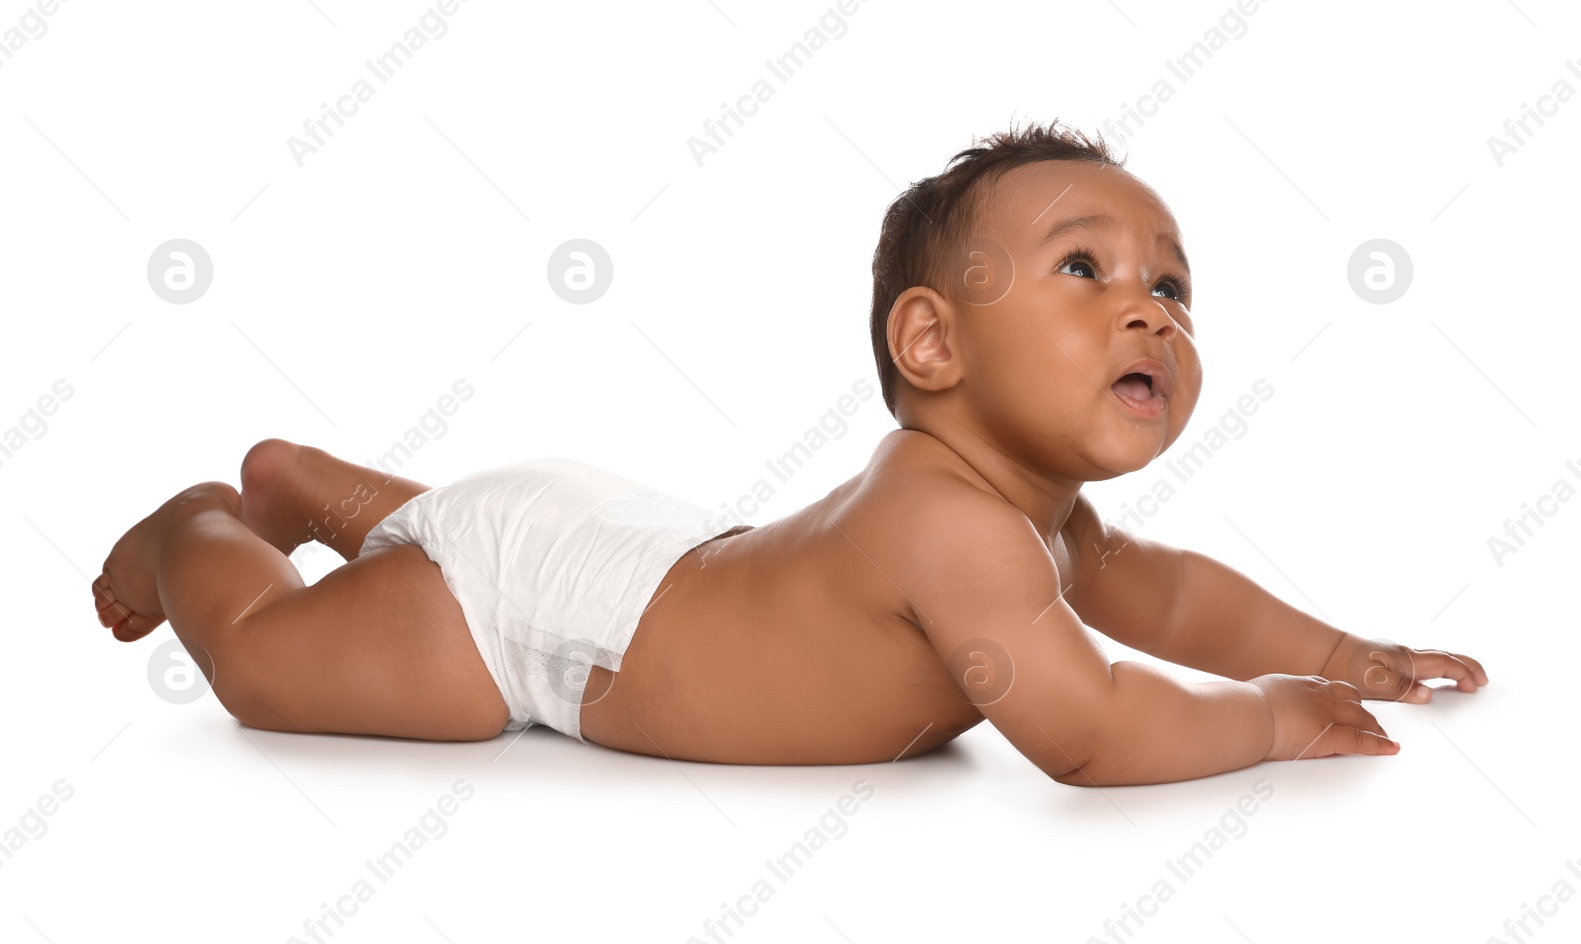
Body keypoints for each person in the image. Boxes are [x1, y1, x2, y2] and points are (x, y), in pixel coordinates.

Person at [93, 119, 1487, 785]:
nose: (1148, 307)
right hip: (537, 630)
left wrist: (1344, 650)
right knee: (277, 670)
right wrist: (1278, 714)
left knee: (468, 517)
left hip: (635, 554)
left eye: (1171, 288)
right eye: (1083, 268)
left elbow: (1169, 598)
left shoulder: (1040, 526)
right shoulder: (946, 525)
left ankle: (325, 488)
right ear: (932, 344)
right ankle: (207, 524)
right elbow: (1091, 729)